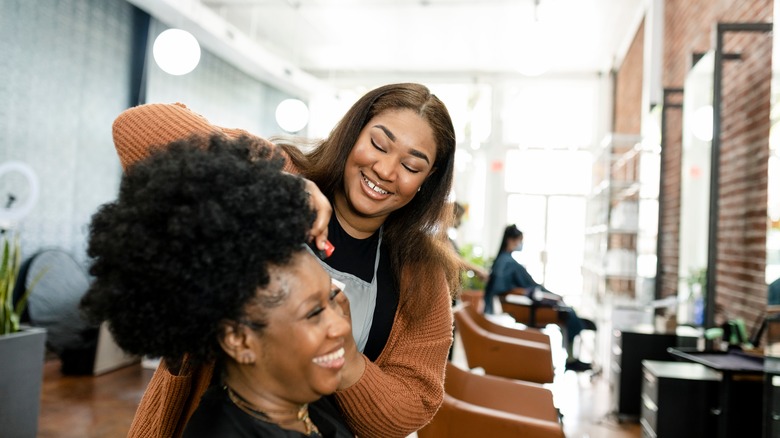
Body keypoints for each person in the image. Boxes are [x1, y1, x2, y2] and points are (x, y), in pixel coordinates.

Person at [111, 82, 461, 438]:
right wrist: (276, 188)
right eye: (378, 144)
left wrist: (348, 360)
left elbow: (412, 407)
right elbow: (136, 129)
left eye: (411, 165)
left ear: (427, 181)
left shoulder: (421, 272)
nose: (386, 170)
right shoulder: (280, 172)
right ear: (352, 135)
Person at [80, 136, 354, 437]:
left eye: (331, 298)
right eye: (314, 312)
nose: (341, 326)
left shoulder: (302, 402)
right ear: (238, 339)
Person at [484, 224, 594, 372]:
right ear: (511, 240)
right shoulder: (507, 262)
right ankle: (571, 359)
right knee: (568, 313)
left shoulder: (505, 261)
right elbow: (513, 289)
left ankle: (572, 354)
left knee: (568, 311)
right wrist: (543, 295)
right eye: (520, 241)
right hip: (526, 306)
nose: (521, 245)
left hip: (529, 299)